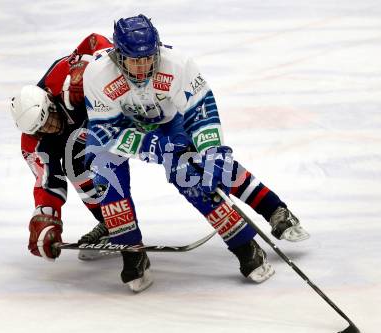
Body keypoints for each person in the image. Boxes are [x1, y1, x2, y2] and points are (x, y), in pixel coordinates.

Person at [81, 15, 310, 292]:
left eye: (148, 58)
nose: (142, 68)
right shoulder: (97, 74)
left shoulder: (179, 64)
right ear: (118, 56)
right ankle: (132, 252)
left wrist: (212, 150)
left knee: (194, 173)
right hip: (127, 129)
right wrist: (146, 145)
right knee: (104, 175)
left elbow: (201, 113)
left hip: (170, 123)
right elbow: (105, 131)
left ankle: (255, 231)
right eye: (134, 60)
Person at [10, 33, 114, 261]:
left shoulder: (59, 78)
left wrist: (84, 65)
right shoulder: (32, 145)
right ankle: (112, 222)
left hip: (117, 118)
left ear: (49, 100)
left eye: (48, 119)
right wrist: (45, 220)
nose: (49, 129)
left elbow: (95, 41)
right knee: (76, 169)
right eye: (40, 129)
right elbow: (47, 183)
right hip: (88, 142)